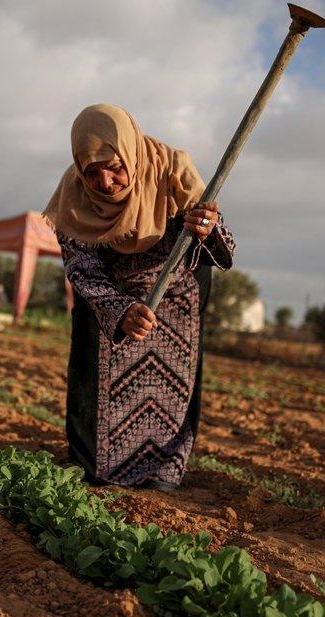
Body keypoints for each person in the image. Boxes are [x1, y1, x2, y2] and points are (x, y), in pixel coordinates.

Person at [43, 103, 235, 491]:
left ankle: (164, 470)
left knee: (170, 385)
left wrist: (205, 226)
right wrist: (120, 309)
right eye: (92, 172)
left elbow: (220, 242)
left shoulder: (173, 169)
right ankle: (98, 470)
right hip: (109, 299)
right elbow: (82, 269)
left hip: (177, 294)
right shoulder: (73, 196)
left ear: (129, 152)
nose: (105, 181)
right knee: (97, 379)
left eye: (115, 167)